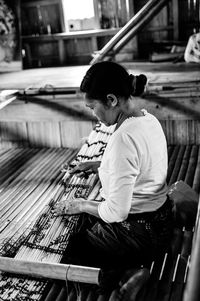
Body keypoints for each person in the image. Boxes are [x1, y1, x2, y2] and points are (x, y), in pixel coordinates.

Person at [54, 61, 173, 298]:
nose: (94, 115)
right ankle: (129, 270)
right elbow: (139, 165)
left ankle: (127, 275)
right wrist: (98, 165)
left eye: (92, 107)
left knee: (71, 247)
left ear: (111, 100)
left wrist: (78, 205)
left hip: (139, 237)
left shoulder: (123, 138)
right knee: (86, 221)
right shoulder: (148, 119)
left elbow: (117, 213)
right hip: (162, 220)